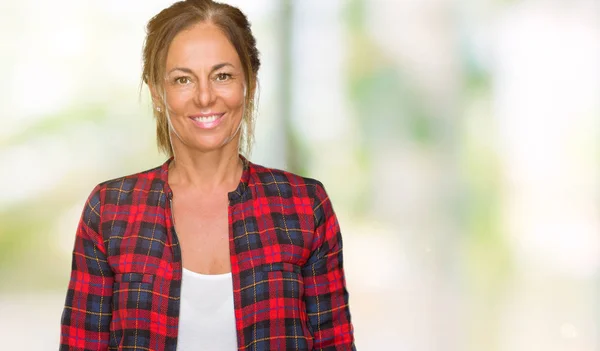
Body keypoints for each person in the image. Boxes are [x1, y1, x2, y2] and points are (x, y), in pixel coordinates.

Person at [59, 0, 355, 350]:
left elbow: (335, 344)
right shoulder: (109, 211)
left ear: (250, 82)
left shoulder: (304, 206)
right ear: (157, 91)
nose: (204, 96)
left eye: (222, 75)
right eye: (183, 79)